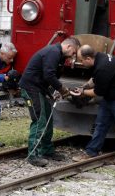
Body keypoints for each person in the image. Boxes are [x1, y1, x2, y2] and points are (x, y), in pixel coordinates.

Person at [72, 44, 115, 167]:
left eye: (81, 61)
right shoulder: (98, 58)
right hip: (111, 96)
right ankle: (91, 152)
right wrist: (84, 87)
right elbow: (94, 79)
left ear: (88, 58)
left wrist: (81, 92)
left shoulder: (103, 67)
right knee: (101, 124)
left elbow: (98, 92)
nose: (81, 63)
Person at [19, 37, 81, 167]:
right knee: (39, 120)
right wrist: (62, 90)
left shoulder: (59, 56)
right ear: (69, 47)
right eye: (74, 52)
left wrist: (54, 92)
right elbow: (49, 75)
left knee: (48, 118)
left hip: (39, 88)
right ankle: (33, 155)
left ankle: (46, 150)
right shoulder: (53, 52)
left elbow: (49, 77)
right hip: (31, 88)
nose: (73, 56)